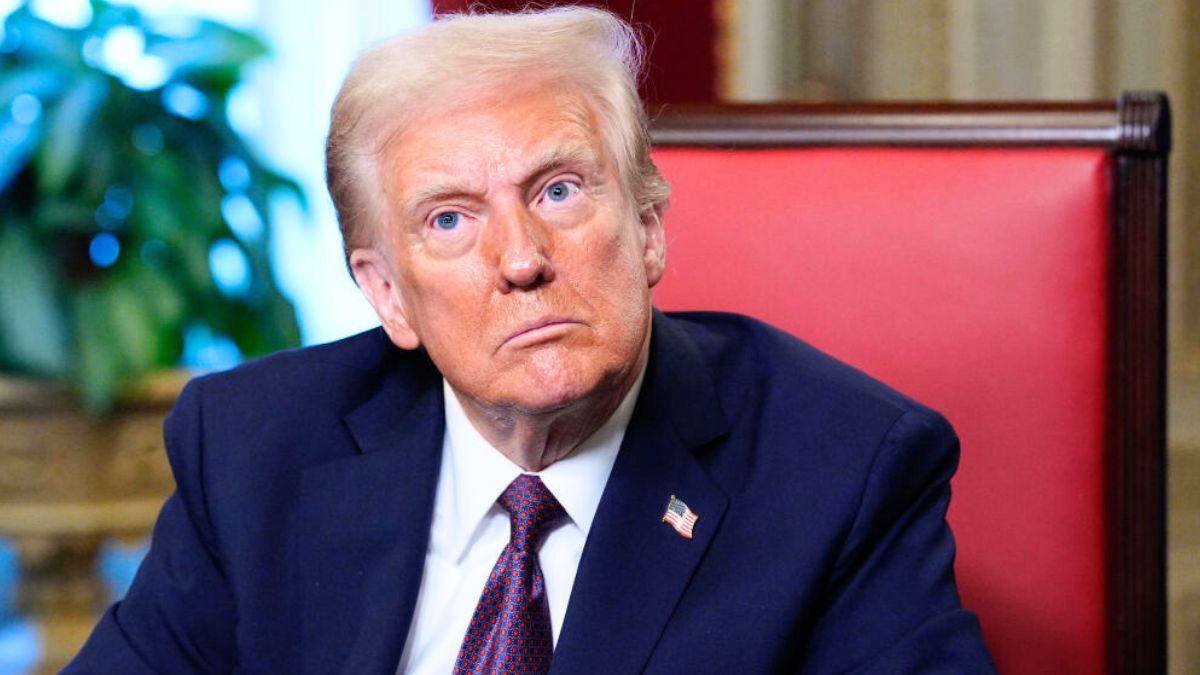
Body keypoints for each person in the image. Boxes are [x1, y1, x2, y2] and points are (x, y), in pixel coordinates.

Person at [66, 7, 995, 674]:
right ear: (387, 294)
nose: (521, 259)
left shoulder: (843, 469)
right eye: (449, 219)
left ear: (647, 229)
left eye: (557, 190)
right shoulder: (255, 445)